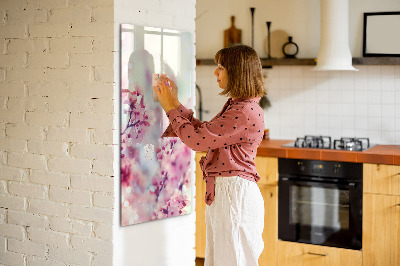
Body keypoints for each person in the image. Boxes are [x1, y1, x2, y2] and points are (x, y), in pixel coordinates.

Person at [153, 44, 266, 266]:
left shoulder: (243, 111)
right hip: (228, 194)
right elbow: (204, 133)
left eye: (221, 67)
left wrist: (169, 108)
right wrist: (175, 103)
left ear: (237, 72)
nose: (215, 72)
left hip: (234, 196)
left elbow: (197, 140)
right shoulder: (239, 106)